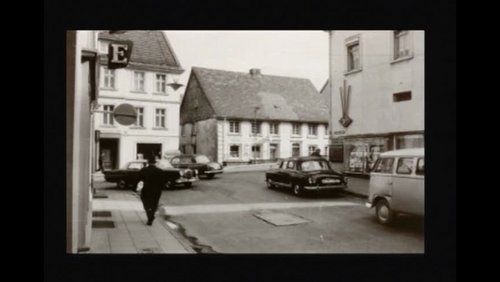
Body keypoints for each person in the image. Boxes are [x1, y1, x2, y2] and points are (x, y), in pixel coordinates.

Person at [138, 154, 166, 226]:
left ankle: (150, 217)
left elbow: (138, 179)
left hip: (146, 189)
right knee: (154, 204)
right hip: (157, 190)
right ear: (155, 162)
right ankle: (151, 216)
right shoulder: (160, 171)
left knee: (146, 203)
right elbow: (163, 182)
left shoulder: (144, 170)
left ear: (148, 162)